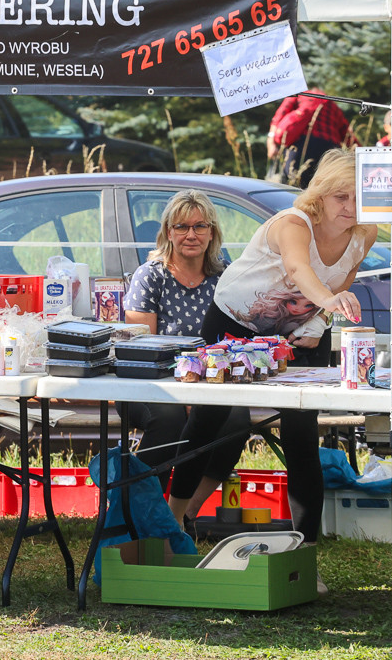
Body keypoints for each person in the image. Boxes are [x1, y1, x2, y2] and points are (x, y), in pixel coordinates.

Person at [168, 150, 378, 591]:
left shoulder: (366, 233)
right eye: (341, 196)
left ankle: (306, 558)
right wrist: (326, 304)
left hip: (299, 326)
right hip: (234, 322)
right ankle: (172, 526)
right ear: (320, 194)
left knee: (303, 434)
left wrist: (320, 321)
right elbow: (301, 270)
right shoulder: (291, 223)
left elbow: (342, 280)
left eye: (360, 196)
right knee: (209, 420)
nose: (351, 207)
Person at [119, 191, 248, 530]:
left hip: (211, 383)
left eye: (200, 226)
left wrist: (201, 391)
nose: (191, 235)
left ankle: (185, 513)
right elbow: (140, 348)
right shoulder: (150, 276)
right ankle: (140, 510)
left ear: (212, 232)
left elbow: (237, 341)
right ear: (169, 232)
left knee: (237, 421)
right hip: (151, 384)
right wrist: (185, 391)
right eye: (182, 227)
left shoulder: (227, 276)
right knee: (171, 420)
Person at [267, 89, 359, 187]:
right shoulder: (333, 105)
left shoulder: (299, 95)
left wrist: (271, 143)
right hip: (330, 150)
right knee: (322, 191)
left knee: (293, 187)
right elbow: (349, 138)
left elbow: (278, 117)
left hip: (301, 145)